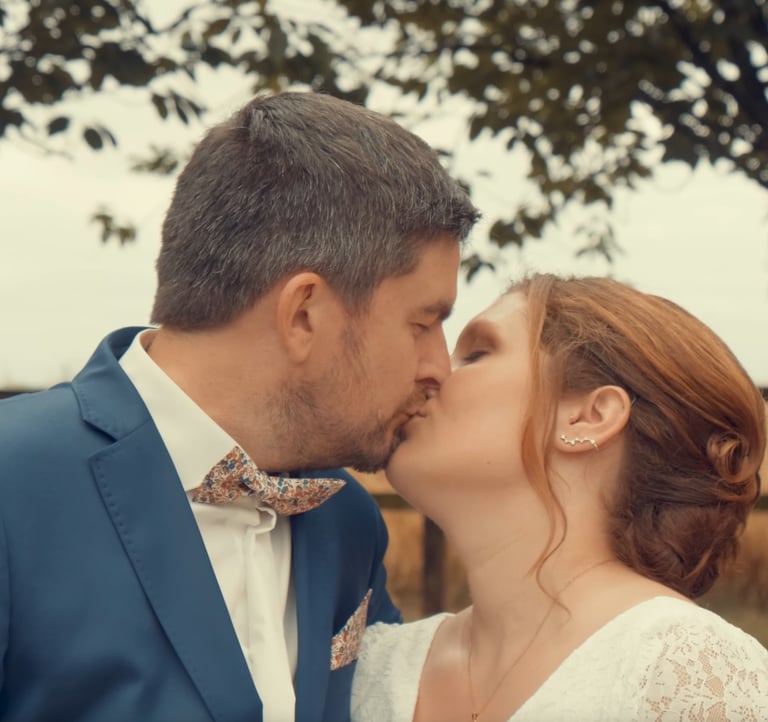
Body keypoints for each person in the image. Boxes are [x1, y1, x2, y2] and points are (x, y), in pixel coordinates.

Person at [0, 91, 479, 722]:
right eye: (423, 323)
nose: (437, 367)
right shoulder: (14, 480)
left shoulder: (348, 523)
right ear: (304, 313)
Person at [351, 274, 768, 721]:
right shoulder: (372, 666)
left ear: (588, 417)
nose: (429, 372)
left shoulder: (690, 675)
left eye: (475, 354)